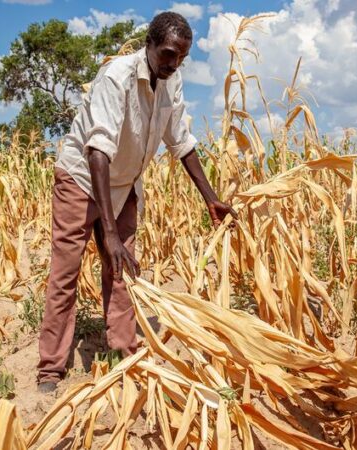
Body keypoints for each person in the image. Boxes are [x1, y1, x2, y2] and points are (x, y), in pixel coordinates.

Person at [37, 11, 236, 393]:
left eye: (181, 57)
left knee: (122, 272)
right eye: (168, 54)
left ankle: (124, 354)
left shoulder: (171, 81)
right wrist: (108, 233)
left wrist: (211, 199)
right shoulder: (117, 77)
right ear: (149, 44)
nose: (174, 63)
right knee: (65, 274)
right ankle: (50, 369)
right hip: (82, 179)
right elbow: (98, 151)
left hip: (124, 183)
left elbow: (181, 141)